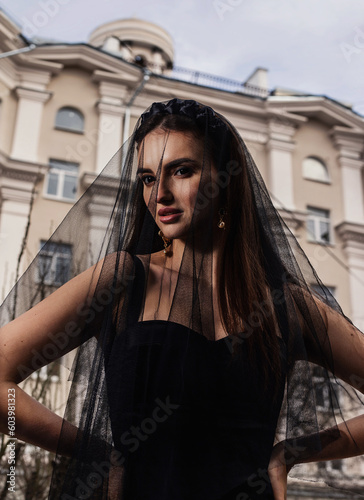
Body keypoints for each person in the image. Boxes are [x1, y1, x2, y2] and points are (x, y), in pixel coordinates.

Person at [0, 98, 364, 500]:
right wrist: (99, 453)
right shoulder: (123, 279)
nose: (161, 194)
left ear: (227, 179)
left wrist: (293, 451)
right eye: (147, 178)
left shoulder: (287, 305)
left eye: (183, 170)